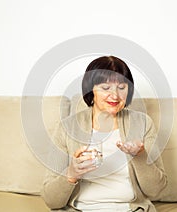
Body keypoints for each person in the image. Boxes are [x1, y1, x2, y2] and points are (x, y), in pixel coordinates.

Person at [41, 56, 167, 212]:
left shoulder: (142, 123)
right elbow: (51, 201)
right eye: (106, 88)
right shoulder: (67, 128)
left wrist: (140, 156)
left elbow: (155, 190)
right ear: (90, 90)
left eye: (121, 87)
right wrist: (71, 174)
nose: (115, 95)